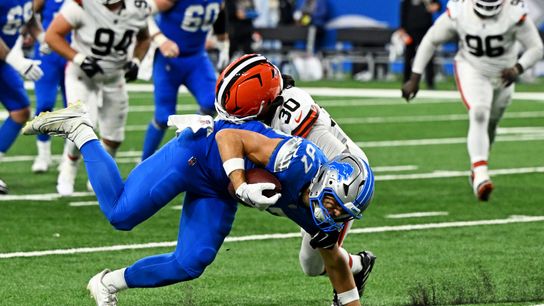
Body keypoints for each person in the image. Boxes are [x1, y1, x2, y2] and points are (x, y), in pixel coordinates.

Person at [23, 91, 375, 306]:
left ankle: (106, 283)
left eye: (342, 212)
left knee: (191, 262)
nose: (332, 215)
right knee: (120, 214)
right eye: (333, 205)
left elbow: (334, 265)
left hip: (218, 189)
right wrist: (240, 185)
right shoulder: (299, 159)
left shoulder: (322, 215)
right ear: (327, 184)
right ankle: (80, 129)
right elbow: (231, 138)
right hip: (199, 153)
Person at [215, 53, 375, 305]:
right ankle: (358, 265)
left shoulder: (294, 115)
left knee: (312, 265)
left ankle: (349, 281)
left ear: (260, 104)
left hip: (340, 184)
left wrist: (330, 220)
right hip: (304, 184)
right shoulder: (263, 109)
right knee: (311, 262)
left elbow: (338, 164)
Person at [402, 0, 544, 201]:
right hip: (472, 68)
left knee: (491, 124)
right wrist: (415, 77)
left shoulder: (513, 11)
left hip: (504, 74)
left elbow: (536, 47)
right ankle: (480, 174)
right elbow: (431, 39)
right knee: (479, 112)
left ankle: (478, 163)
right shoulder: (460, 10)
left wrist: (518, 68)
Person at [45, 0, 152, 195]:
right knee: (83, 125)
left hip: (114, 76)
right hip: (81, 75)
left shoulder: (138, 7)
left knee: (114, 136)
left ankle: (99, 177)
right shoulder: (81, 5)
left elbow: (144, 38)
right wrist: (79, 58)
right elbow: (52, 35)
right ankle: (68, 169)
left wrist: (136, 60)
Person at [140, 0, 230, 160]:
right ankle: (143, 163)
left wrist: (223, 43)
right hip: (169, 61)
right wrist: (160, 40)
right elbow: (139, 12)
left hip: (197, 58)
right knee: (163, 116)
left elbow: (220, 12)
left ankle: (184, 148)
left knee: (214, 102)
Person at [0, 0, 44, 194]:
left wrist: (43, 38)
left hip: (2, 60)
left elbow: (29, 15)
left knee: (20, 111)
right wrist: (16, 60)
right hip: (5, 57)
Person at [31, 0, 68, 173]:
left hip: (72, 53)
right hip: (48, 53)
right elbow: (27, 13)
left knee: (74, 109)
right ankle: (43, 154)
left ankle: (67, 159)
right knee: (44, 104)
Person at [399, 0, 441, 89]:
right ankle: (406, 82)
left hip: (426, 31)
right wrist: (402, 28)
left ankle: (430, 83)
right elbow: (403, 9)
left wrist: (435, 6)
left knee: (428, 57)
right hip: (410, 30)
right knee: (408, 57)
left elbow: (438, 6)